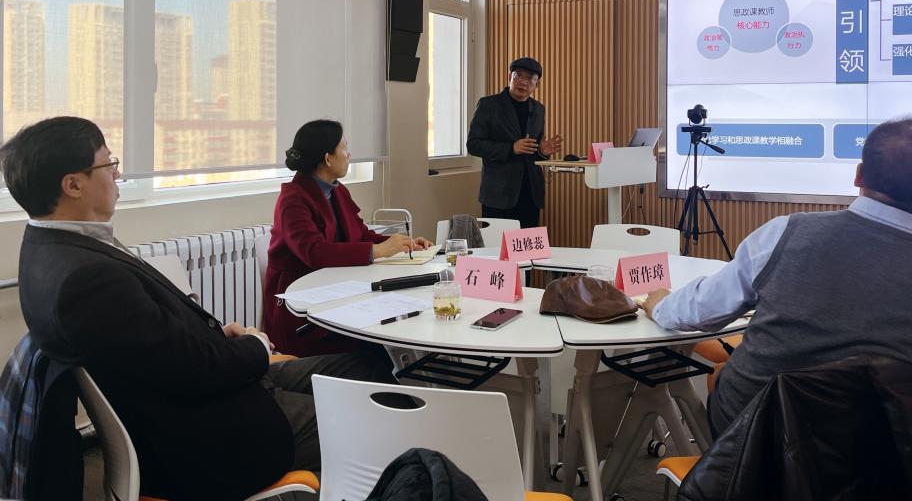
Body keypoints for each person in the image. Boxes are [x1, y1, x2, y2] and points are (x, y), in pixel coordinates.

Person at [7, 116, 401, 500]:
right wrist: (255, 346)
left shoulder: (52, 250)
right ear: (73, 184)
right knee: (379, 414)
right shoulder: (86, 278)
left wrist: (222, 337)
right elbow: (190, 369)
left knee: (365, 366)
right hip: (216, 435)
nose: (117, 173)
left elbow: (150, 344)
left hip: (214, 387)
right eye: (108, 163)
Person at [644, 117, 912, 437]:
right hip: (880, 460)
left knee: (723, 376)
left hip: (756, 436)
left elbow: (701, 312)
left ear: (859, 175)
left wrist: (660, 304)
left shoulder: (783, 234)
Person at [263, 119, 430, 356]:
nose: (349, 154)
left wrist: (400, 243)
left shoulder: (337, 190)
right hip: (301, 306)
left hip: (337, 290)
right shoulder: (293, 200)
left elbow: (360, 234)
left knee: (385, 335)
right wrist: (378, 251)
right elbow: (315, 252)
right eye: (344, 147)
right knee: (375, 346)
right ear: (328, 158)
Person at [466, 57, 562, 229]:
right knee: (496, 244)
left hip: (530, 192)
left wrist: (542, 152)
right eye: (519, 76)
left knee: (526, 243)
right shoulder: (489, 105)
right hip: (498, 193)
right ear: (509, 76)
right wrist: (511, 148)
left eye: (530, 79)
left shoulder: (538, 109)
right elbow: (473, 144)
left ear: (537, 84)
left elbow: (533, 150)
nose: (523, 82)